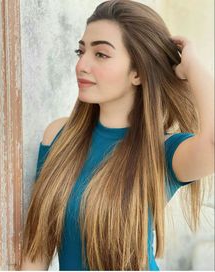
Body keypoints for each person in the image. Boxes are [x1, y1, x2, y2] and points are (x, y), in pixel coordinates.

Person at [20, 0, 214, 270]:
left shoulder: (164, 152)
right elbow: (36, 253)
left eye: (101, 54)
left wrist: (192, 66)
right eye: (81, 51)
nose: (82, 65)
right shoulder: (58, 137)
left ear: (138, 73)